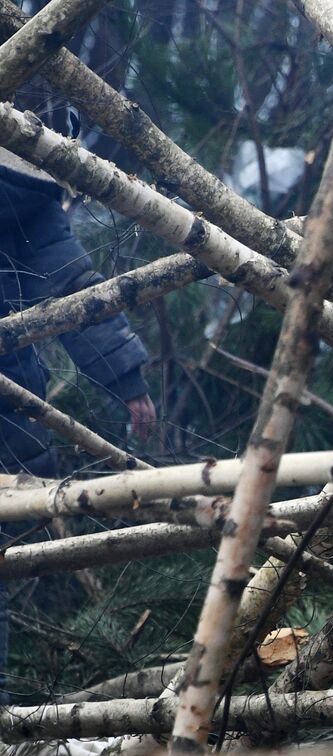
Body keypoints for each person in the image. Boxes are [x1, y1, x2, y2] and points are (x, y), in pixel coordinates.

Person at [0, 141, 156, 703]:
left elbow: (70, 288)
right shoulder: (29, 188)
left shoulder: (26, 196)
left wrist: (126, 381)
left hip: (10, 404)